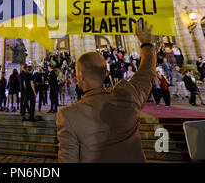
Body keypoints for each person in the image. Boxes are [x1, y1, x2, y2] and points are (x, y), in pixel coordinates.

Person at [56, 20, 156, 162]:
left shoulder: (68, 115)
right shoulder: (128, 96)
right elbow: (148, 72)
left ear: (79, 77)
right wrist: (146, 43)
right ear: (105, 73)